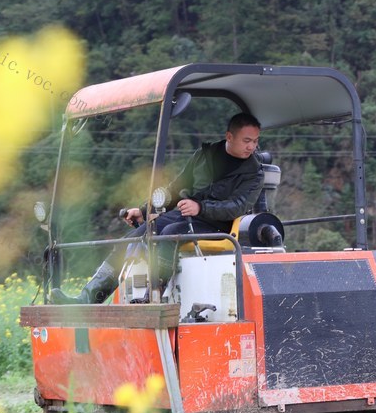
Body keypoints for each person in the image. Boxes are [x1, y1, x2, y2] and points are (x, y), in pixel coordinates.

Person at [49, 112, 264, 304]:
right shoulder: (204, 156)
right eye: (247, 140)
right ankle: (88, 298)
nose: (251, 147)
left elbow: (238, 206)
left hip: (218, 225)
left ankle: (154, 295)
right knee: (134, 236)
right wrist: (143, 211)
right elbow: (175, 188)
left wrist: (201, 207)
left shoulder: (254, 173)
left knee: (170, 234)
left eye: (255, 141)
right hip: (185, 216)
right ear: (229, 137)